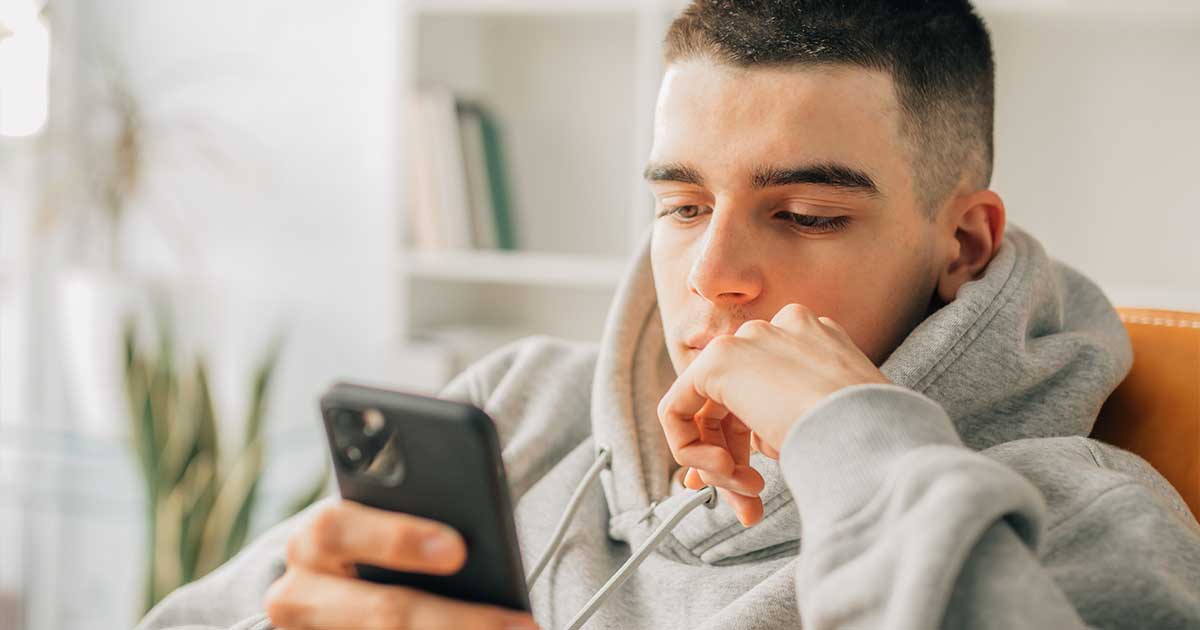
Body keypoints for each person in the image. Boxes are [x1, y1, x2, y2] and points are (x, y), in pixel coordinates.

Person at [136, 1, 1200, 628]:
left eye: (807, 214)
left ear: (961, 244)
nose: (714, 272)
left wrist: (849, 438)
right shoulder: (520, 407)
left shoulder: (1089, 520)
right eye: (683, 205)